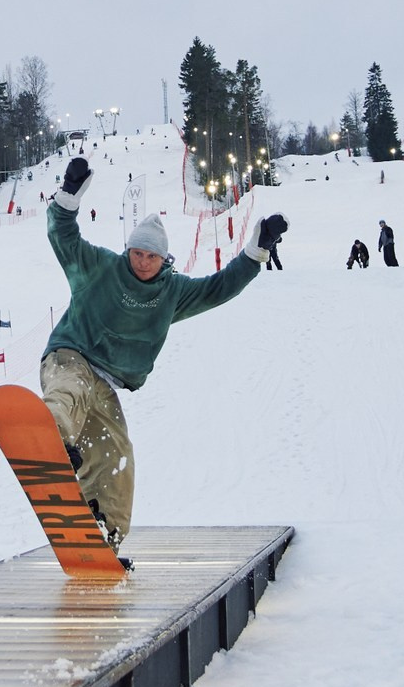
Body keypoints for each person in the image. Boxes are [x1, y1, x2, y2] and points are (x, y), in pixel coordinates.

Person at [41, 155, 284, 547]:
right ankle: (48, 436)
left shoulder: (172, 292)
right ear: (129, 250)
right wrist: (68, 196)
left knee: (116, 455)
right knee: (71, 388)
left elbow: (217, 288)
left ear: (163, 258)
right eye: (137, 253)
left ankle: (103, 533)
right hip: (70, 355)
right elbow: (63, 237)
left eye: (150, 256)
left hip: (107, 383)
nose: (142, 262)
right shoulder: (101, 267)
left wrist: (256, 252)